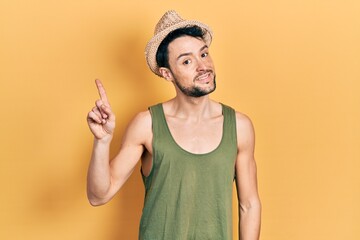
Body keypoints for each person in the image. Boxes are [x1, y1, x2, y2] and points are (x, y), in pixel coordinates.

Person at [86, 10, 261, 240]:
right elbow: (99, 195)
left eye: (204, 54)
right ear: (167, 74)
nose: (203, 66)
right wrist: (102, 141)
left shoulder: (239, 126)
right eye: (187, 61)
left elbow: (249, 205)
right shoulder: (146, 125)